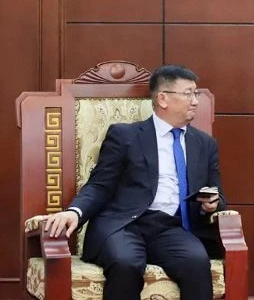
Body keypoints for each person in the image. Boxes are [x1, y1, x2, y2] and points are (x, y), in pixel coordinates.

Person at [43, 65, 225, 300]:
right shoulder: (125, 136)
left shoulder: (205, 144)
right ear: (163, 99)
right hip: (124, 225)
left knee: (197, 262)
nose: (195, 101)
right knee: (126, 263)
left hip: (171, 227)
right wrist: (75, 212)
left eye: (196, 94)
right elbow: (100, 185)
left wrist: (213, 203)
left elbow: (217, 192)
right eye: (188, 93)